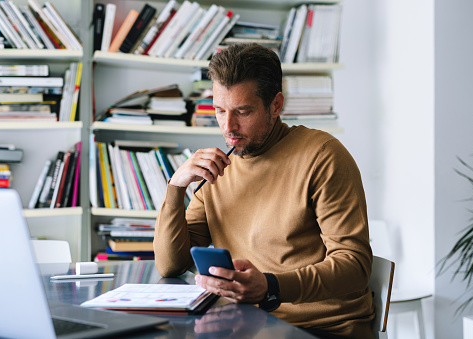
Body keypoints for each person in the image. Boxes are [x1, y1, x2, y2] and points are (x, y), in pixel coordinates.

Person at [154, 43, 375, 338]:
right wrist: (176, 187)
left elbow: (355, 266)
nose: (228, 126)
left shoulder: (323, 156)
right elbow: (170, 265)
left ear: (275, 105)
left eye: (243, 111)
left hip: (321, 328)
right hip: (248, 325)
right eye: (220, 110)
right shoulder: (220, 168)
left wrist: (271, 286)